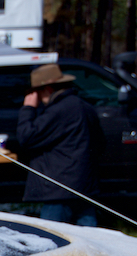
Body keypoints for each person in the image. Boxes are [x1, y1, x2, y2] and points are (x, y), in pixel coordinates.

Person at [17, 63, 102, 226]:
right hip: (83, 185)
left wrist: (28, 108)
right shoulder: (85, 107)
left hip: (59, 189)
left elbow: (26, 136)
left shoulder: (58, 111)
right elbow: (100, 144)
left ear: (47, 89)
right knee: (90, 238)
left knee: (52, 237)